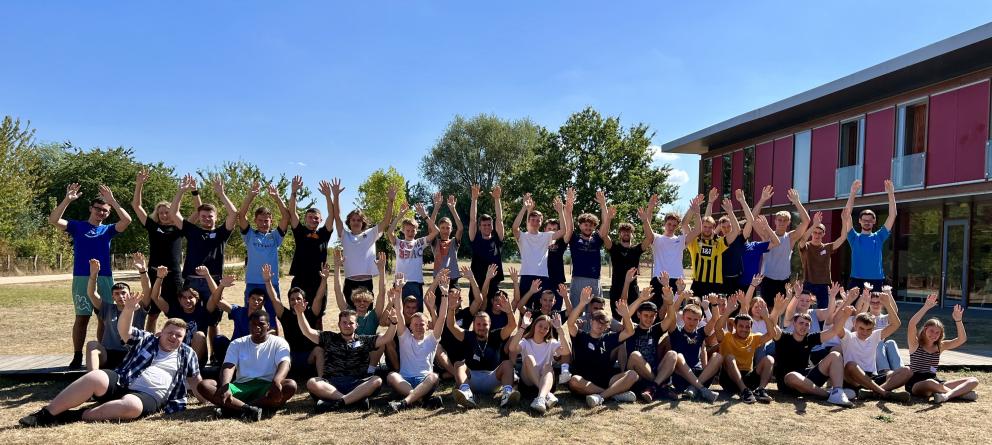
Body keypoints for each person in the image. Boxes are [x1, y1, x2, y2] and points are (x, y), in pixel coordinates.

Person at [19, 292, 203, 426]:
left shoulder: (188, 354)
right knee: (95, 377)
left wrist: (210, 397)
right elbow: (125, 331)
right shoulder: (148, 339)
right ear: (161, 332)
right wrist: (129, 309)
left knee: (131, 406)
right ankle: (45, 414)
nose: (174, 338)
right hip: (123, 380)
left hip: (149, 396)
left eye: (179, 336)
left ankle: (76, 415)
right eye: (170, 333)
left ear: (183, 338)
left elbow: (196, 382)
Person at [49, 183, 132, 369]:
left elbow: (127, 221)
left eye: (105, 211)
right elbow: (53, 220)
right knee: (82, 317)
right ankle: (77, 355)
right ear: (91, 209)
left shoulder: (108, 230)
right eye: (98, 209)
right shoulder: (77, 227)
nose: (101, 213)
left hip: (104, 277)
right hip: (82, 277)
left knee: (104, 317)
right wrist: (67, 200)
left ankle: (102, 352)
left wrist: (113, 201)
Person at [299, 292, 401, 412]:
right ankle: (352, 400)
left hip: (358, 383)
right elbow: (307, 332)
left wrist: (394, 323)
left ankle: (337, 402)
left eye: (351, 323)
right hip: (332, 383)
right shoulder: (329, 338)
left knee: (377, 380)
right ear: (339, 324)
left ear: (356, 325)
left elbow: (386, 338)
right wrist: (300, 313)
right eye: (344, 322)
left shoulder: (364, 340)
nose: (348, 325)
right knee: (312, 382)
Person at [197, 310, 296, 421]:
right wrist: (225, 386)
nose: (257, 327)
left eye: (261, 324)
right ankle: (248, 409)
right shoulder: (237, 343)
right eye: (253, 324)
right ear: (249, 325)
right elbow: (228, 366)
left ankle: (233, 408)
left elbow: (285, 363)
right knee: (204, 385)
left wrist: (276, 381)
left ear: (268, 326)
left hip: (267, 386)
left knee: (290, 385)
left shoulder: (279, 342)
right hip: (241, 387)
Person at [169, 175, 237, 317]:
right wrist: (180, 191)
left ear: (216, 217)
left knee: (213, 318)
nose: (206, 219)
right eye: (203, 216)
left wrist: (221, 194)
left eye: (210, 216)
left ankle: (214, 340)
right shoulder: (192, 230)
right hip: (191, 280)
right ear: (199, 217)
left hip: (213, 279)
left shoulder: (221, 233)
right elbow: (173, 213)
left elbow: (233, 214)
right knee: (190, 315)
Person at [770, 301, 855, 407]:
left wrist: (845, 315)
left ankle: (837, 391)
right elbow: (771, 324)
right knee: (792, 376)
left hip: (807, 378)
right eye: (801, 323)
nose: (804, 326)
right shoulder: (783, 337)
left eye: (807, 324)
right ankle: (828, 395)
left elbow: (834, 330)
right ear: (794, 324)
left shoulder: (810, 338)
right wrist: (776, 310)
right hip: (788, 383)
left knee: (835, 355)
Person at [566, 287, 640, 408]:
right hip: (585, 381)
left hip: (607, 380)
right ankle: (612, 394)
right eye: (597, 321)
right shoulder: (581, 336)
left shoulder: (608, 338)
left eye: (603, 322)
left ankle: (601, 396)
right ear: (591, 322)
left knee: (633, 375)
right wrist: (582, 303)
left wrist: (626, 315)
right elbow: (570, 323)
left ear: (607, 326)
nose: (600, 324)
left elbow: (630, 332)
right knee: (574, 380)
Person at [446, 289, 520, 408]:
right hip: (471, 381)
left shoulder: (496, 335)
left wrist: (509, 311)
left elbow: (512, 326)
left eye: (485, 324)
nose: (481, 327)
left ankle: (506, 395)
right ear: (474, 325)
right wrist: (451, 309)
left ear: (490, 325)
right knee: (459, 364)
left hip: (492, 379)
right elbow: (451, 325)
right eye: (478, 324)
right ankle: (466, 394)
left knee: (507, 364)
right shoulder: (468, 336)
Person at [132, 169, 185, 332]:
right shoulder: (152, 227)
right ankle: (150, 342)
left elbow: (198, 213)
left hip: (174, 275)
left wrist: (183, 191)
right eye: (160, 212)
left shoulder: (180, 227)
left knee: (177, 316)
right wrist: (139, 183)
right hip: (155, 274)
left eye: (167, 212)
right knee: (152, 314)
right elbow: (136, 206)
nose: (163, 215)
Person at [838, 290, 912, 402]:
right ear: (855, 325)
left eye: (868, 329)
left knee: (907, 371)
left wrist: (887, 304)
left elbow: (896, 324)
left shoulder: (875, 335)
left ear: (873, 329)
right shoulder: (848, 336)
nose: (864, 332)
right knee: (851, 365)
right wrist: (844, 315)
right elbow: (836, 327)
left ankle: (872, 393)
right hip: (853, 378)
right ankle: (883, 393)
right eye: (861, 328)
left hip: (871, 376)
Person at [332, 178, 396, 307]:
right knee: (349, 318)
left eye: (359, 220)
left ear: (363, 223)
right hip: (350, 282)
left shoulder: (371, 234)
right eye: (353, 220)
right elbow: (337, 216)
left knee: (366, 318)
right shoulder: (344, 235)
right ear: (349, 222)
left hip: (366, 282)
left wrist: (391, 201)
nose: (356, 222)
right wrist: (336, 196)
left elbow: (386, 221)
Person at [905, 294, 979, 403]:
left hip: (936, 382)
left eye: (937, 332)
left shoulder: (940, 346)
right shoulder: (915, 344)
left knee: (974, 380)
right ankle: (960, 394)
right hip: (916, 384)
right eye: (931, 331)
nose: (934, 335)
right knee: (931, 383)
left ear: (940, 334)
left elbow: (961, 339)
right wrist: (926, 307)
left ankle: (946, 395)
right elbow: (911, 324)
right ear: (925, 330)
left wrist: (958, 320)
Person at [236, 180, 290, 327]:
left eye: (266, 220)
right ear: (255, 220)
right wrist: (250, 195)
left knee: (273, 318)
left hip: (271, 283)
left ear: (271, 221)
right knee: (251, 316)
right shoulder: (250, 235)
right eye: (260, 220)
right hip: (253, 282)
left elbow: (286, 217)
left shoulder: (275, 236)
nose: (263, 223)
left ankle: (274, 348)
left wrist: (277, 197)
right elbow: (241, 216)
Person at [84, 255, 151, 371]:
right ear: (113, 297)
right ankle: (92, 377)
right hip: (108, 354)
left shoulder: (138, 308)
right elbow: (91, 293)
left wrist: (142, 270)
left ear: (129, 294)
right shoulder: (107, 308)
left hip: (131, 354)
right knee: (92, 345)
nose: (121, 296)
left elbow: (147, 290)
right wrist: (94, 274)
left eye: (124, 293)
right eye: (117, 294)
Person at [386, 291, 449, 412]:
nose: (419, 327)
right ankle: (422, 400)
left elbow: (442, 317)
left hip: (424, 380)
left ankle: (404, 403)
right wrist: (399, 291)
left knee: (434, 377)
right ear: (410, 326)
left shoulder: (432, 339)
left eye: (422, 324)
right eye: (416, 324)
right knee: (391, 376)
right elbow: (399, 313)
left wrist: (444, 294)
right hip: (405, 380)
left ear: (427, 326)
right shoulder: (404, 337)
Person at [715, 292, 782, 404]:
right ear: (735, 326)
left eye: (747, 327)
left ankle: (760, 390)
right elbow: (717, 328)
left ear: (751, 328)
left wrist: (765, 316)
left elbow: (772, 334)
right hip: (729, 379)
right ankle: (744, 391)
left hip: (748, 376)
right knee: (730, 358)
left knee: (769, 359)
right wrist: (728, 311)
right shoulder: (727, 337)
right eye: (741, 326)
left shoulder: (754, 338)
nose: (744, 329)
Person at [148, 266, 222, 365]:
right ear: (179, 300)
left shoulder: (203, 311)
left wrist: (207, 275)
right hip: (175, 355)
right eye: (184, 297)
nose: (187, 300)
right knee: (159, 335)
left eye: (191, 297)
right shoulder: (174, 311)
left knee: (199, 335)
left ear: (197, 299)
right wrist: (159, 277)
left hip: (196, 357)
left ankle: (188, 367)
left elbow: (216, 296)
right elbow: (155, 297)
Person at [288, 177, 335, 327]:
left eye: (316, 218)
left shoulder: (324, 234)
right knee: (297, 312)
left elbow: (332, 215)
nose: (313, 220)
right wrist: (294, 192)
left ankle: (318, 346)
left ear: (320, 220)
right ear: (305, 219)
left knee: (318, 315)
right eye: (310, 217)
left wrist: (328, 196)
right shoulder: (299, 231)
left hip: (319, 280)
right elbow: (292, 212)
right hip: (300, 278)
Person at [267, 263, 325, 380]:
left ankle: (322, 380)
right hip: (290, 358)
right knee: (276, 350)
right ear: (289, 302)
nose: (295, 301)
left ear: (304, 301)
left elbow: (319, 297)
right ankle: (276, 381)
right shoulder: (285, 315)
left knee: (319, 350)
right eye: (292, 299)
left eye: (298, 299)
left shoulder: (311, 313)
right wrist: (267, 281)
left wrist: (324, 279)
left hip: (309, 357)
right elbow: (274, 298)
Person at [512, 192, 570, 307]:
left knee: (540, 308)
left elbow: (563, 231)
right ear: (528, 221)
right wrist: (524, 207)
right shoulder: (522, 236)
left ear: (541, 222)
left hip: (543, 277)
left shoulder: (546, 236)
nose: (535, 222)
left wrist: (560, 211)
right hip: (526, 276)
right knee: (524, 308)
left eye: (538, 220)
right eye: (532, 219)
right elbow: (515, 227)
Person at [622, 287, 680, 402]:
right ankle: (660, 386)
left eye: (652, 316)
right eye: (646, 315)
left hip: (653, 369)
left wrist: (670, 302)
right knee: (635, 355)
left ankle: (653, 388)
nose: (649, 319)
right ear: (639, 315)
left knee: (673, 354)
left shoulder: (655, 330)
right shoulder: (631, 329)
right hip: (635, 372)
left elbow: (670, 318)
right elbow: (625, 316)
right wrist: (640, 299)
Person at [601, 193, 654, 316]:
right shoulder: (614, 248)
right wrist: (608, 219)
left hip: (633, 289)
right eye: (623, 231)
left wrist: (645, 220)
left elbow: (650, 238)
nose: (626, 233)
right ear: (619, 234)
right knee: (617, 318)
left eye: (628, 231)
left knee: (633, 319)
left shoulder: (637, 249)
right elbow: (604, 235)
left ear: (632, 234)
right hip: (616, 289)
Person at [509, 312, 572, 414]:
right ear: (534, 326)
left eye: (546, 328)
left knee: (548, 366)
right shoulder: (526, 341)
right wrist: (523, 327)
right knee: (529, 358)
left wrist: (559, 329)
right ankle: (546, 395)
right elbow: (512, 348)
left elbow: (566, 352)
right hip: (528, 382)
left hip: (546, 380)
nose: (542, 330)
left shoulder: (551, 342)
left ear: (548, 331)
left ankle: (541, 398)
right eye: (540, 326)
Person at [759, 188, 810, 311]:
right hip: (767, 279)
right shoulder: (766, 235)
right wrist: (762, 200)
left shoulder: (791, 237)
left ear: (788, 223)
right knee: (766, 311)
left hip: (783, 281)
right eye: (779, 220)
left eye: (785, 220)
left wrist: (797, 201)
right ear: (775, 221)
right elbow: (752, 217)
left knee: (780, 311)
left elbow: (806, 221)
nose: (782, 222)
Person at [663, 293, 720, 402]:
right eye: (689, 318)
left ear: (700, 320)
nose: (692, 322)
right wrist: (680, 297)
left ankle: (694, 388)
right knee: (678, 356)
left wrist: (714, 304)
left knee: (717, 357)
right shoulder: (676, 331)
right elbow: (671, 315)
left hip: (699, 374)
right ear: (683, 317)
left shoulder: (701, 332)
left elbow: (714, 319)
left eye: (695, 320)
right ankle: (701, 389)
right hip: (681, 377)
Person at [842, 179, 896, 291]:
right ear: (860, 221)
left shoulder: (879, 236)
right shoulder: (853, 237)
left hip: (876, 281)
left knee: (874, 309)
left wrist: (891, 194)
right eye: (864, 220)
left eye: (870, 220)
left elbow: (892, 215)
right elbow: (847, 214)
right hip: (856, 280)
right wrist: (852, 193)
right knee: (852, 309)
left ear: (874, 221)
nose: (867, 222)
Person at [647, 194, 699, 304]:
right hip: (659, 280)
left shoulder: (681, 240)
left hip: (677, 281)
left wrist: (694, 210)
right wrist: (650, 208)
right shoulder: (656, 238)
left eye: (674, 225)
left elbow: (697, 230)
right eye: (669, 224)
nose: (671, 227)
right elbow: (646, 225)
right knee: (656, 313)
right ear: (664, 224)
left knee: (674, 313)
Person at [387, 201, 440, 310]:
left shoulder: (419, 242)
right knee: (398, 312)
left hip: (416, 282)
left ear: (416, 231)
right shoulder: (398, 243)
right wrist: (400, 215)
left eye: (413, 230)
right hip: (400, 282)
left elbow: (435, 231)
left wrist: (424, 215)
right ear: (403, 231)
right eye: (408, 230)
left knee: (416, 313)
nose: (410, 233)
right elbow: (389, 232)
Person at [686, 197, 741, 297]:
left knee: (713, 312)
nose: (707, 229)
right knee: (694, 311)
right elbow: (684, 225)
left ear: (714, 228)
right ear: (701, 227)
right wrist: (693, 211)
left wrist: (730, 212)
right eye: (705, 227)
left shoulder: (719, 242)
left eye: (710, 227)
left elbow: (736, 231)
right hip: (697, 283)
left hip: (714, 284)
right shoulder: (694, 240)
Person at [798, 210, 849, 309]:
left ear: (823, 234)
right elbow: (802, 240)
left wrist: (844, 220)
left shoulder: (827, 247)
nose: (817, 235)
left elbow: (843, 238)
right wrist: (814, 225)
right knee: (804, 311)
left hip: (823, 285)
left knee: (823, 311)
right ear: (812, 233)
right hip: (808, 283)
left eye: (820, 233)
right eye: (815, 232)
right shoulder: (806, 246)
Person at [733, 189, 781, 291]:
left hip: (751, 287)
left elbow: (776, 242)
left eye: (743, 229)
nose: (741, 232)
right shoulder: (730, 245)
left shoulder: (755, 246)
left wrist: (767, 227)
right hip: (734, 286)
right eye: (739, 230)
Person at [469, 184, 506, 303]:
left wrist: (497, 199)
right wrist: (474, 199)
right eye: (484, 225)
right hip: (476, 282)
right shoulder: (475, 238)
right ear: (479, 227)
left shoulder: (497, 239)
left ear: (492, 226)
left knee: (491, 316)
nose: (486, 227)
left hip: (493, 283)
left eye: (489, 224)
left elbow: (499, 219)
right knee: (476, 314)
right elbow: (473, 219)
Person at [429, 192, 464, 305]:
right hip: (438, 280)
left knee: (454, 308)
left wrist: (453, 209)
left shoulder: (454, 242)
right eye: (442, 228)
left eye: (447, 228)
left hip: (453, 280)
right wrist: (436, 207)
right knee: (439, 309)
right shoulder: (435, 242)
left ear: (451, 229)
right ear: (438, 229)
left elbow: (461, 228)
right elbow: (430, 227)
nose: (445, 230)